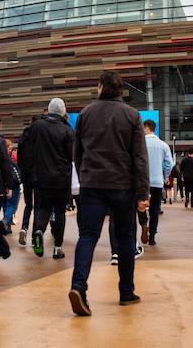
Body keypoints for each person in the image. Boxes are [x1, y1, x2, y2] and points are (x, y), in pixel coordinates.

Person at [69, 70, 149, 316]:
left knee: (88, 236)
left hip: (92, 185)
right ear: (120, 91)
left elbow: (77, 152)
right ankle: (126, 292)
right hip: (123, 186)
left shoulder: (85, 114)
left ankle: (78, 286)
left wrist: (84, 178)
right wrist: (143, 192)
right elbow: (139, 157)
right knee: (125, 238)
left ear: (101, 87)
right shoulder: (132, 115)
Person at [25, 98, 75, 258]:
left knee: (44, 208)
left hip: (42, 176)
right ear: (63, 112)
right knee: (60, 211)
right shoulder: (67, 130)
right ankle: (57, 248)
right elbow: (72, 155)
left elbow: (27, 141)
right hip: (62, 177)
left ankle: (38, 230)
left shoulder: (38, 126)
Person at [138, 119, 173, 245]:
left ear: (146, 128)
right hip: (157, 182)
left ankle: (143, 223)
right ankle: (152, 235)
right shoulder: (163, 145)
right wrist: (164, 176)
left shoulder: (140, 143)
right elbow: (169, 164)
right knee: (154, 209)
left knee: (141, 206)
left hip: (142, 181)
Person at [17, 114, 41, 246]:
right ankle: (35, 234)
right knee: (38, 205)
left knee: (28, 204)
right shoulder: (40, 137)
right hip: (38, 174)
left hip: (26, 173)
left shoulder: (23, 137)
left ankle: (24, 227)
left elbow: (19, 155)